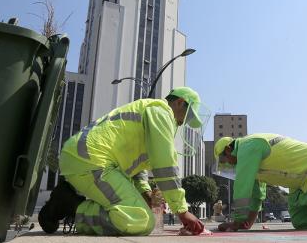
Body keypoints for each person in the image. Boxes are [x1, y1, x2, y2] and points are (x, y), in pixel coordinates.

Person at [39, 87, 207, 236]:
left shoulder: (151, 111)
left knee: (134, 211)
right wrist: (182, 211)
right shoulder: (162, 112)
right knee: (141, 220)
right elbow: (165, 164)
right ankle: (71, 207)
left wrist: (144, 192)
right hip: (92, 160)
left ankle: (66, 201)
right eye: (188, 115)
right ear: (179, 102)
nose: (183, 122)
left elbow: (138, 165)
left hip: (85, 158)